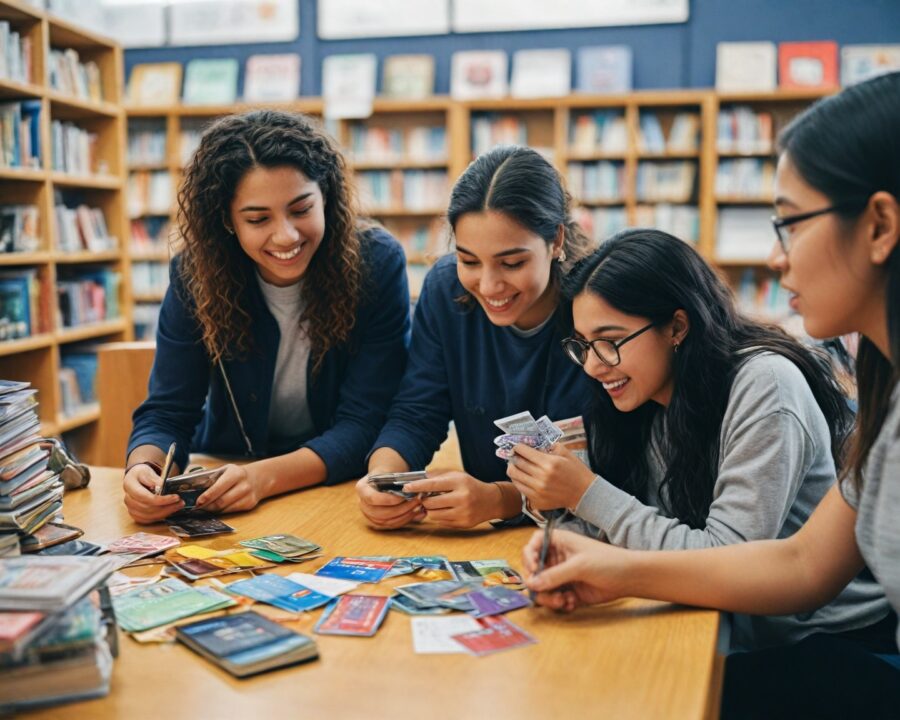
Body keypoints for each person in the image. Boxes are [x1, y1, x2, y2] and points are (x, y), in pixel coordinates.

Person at [521, 71, 900, 719]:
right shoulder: (887, 395)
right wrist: (593, 551)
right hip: (765, 632)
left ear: (880, 224)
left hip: (830, 650)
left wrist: (595, 514)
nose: (776, 259)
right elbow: (803, 563)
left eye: (789, 225)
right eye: (583, 346)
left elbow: (757, 562)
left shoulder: (763, 384)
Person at [506, 228, 888, 649]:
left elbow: (723, 555)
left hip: (824, 641)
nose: (594, 367)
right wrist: (566, 535)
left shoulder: (763, 384)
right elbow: (647, 529)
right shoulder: (642, 399)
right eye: (584, 346)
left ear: (677, 327)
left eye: (611, 342)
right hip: (724, 629)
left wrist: (587, 495)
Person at [124, 110, 410, 523]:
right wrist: (144, 470)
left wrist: (263, 479)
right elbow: (168, 410)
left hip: (336, 486)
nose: (286, 236)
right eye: (258, 219)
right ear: (227, 220)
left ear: (325, 196)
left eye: (301, 209)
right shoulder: (196, 275)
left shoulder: (377, 263)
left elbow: (366, 423)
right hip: (230, 477)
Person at [356, 145, 595, 529]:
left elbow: (616, 474)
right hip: (487, 536)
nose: (488, 285)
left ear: (557, 240)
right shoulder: (445, 289)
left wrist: (502, 500)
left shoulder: (597, 309)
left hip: (581, 535)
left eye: (512, 263)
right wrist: (382, 477)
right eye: (468, 260)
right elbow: (418, 412)